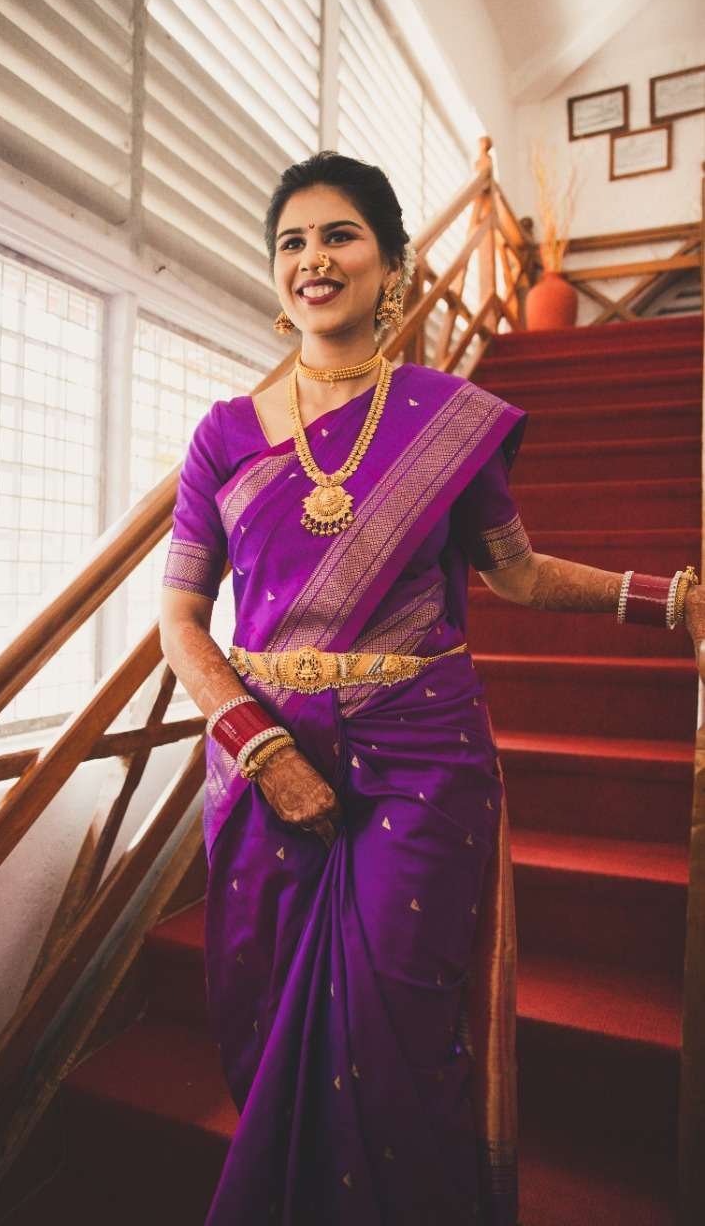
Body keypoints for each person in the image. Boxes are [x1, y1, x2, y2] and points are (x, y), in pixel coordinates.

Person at [158, 151, 703, 1225]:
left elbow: (519, 573)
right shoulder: (223, 434)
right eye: (291, 242)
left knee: (392, 1028)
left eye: (339, 234)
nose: (313, 258)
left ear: (392, 265)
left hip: (419, 760)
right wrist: (259, 748)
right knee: (266, 1026)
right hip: (266, 762)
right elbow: (180, 620)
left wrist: (668, 598)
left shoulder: (447, 418)